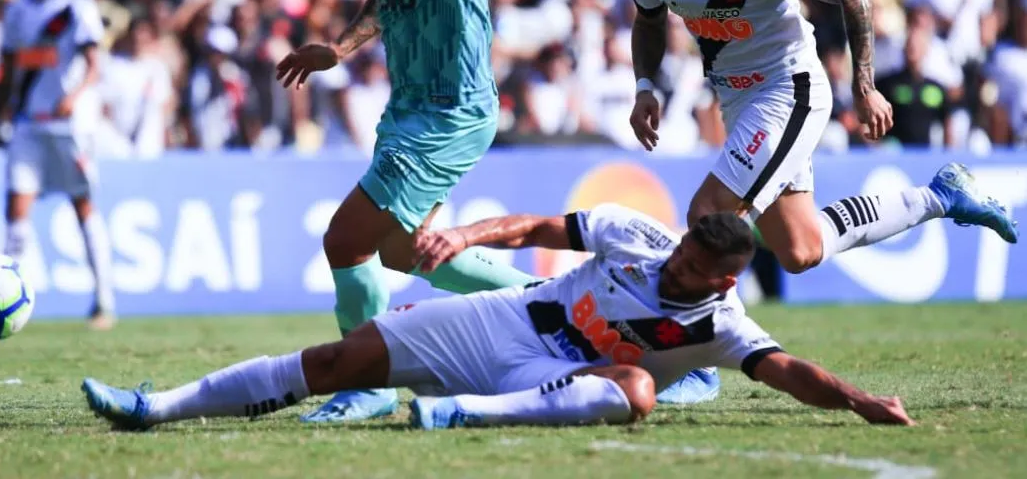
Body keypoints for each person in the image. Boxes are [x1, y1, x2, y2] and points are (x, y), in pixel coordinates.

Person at [81, 205, 914, 431]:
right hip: (503, 321)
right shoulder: (637, 235)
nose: (679, 269)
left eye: (697, 269)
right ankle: (156, 407)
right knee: (334, 363)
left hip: (546, 376)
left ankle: (456, 416)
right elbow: (530, 228)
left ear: (728, 277)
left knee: (636, 391)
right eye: (683, 255)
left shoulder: (725, 324)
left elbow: (789, 372)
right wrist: (463, 235)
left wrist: (856, 398)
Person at [269, 0, 541, 422]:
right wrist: (338, 48)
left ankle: (367, 382)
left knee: (346, 239)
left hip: (453, 108)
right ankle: (550, 303)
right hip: (409, 107)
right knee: (408, 252)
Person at [624, 0, 1017, 273]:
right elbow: (649, 21)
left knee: (708, 215)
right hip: (737, 99)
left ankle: (710, 334)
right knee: (801, 249)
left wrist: (863, 86)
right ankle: (941, 196)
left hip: (788, 90)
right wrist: (645, 86)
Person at [0, 0, 116, 330]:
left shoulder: (77, 5)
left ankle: (103, 300)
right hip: (27, 125)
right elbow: (5, 75)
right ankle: (6, 303)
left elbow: (94, 64)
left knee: (82, 205)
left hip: (69, 125)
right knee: (16, 210)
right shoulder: (18, 9)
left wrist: (76, 94)